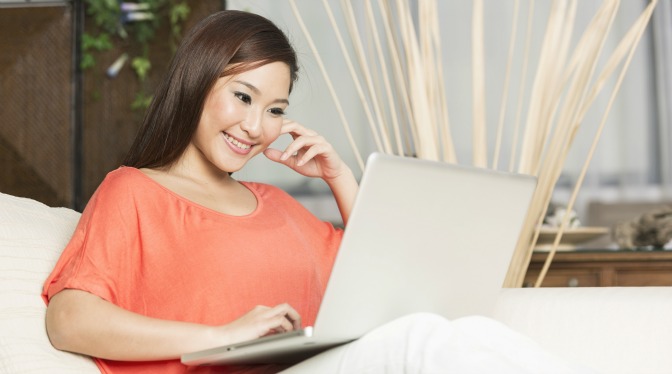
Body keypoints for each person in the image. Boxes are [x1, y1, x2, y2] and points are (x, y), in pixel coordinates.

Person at [42, 10, 593, 374]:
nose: (257, 126)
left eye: (276, 110)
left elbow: (398, 288)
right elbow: (69, 319)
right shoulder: (134, 191)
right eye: (243, 96)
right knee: (423, 341)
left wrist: (343, 179)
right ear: (195, 84)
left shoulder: (279, 208)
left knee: (456, 330)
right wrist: (221, 336)